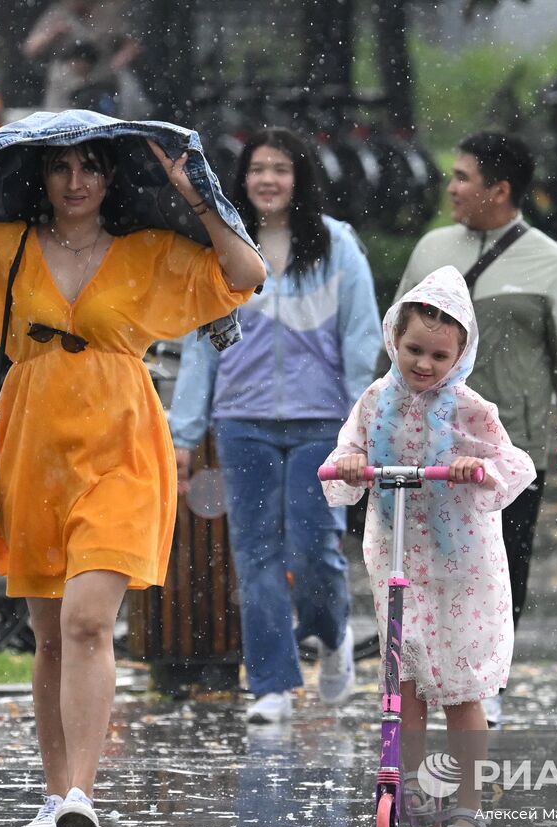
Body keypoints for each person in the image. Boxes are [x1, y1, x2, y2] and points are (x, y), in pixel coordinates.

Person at [0, 138, 265, 827]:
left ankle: (82, 792)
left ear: (112, 176)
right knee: (50, 636)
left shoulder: (147, 251)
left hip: (123, 451)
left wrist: (196, 194)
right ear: (42, 176)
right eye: (61, 166)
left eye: (90, 166)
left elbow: (245, 271)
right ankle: (54, 796)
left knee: (88, 620)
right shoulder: (6, 248)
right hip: (32, 452)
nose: (76, 179)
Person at [170, 128, 382, 724]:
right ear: (242, 181)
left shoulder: (337, 245)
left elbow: (363, 337)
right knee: (255, 554)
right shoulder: (224, 249)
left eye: (280, 169)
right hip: (243, 423)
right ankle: (271, 684)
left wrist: (357, 427)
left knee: (315, 550)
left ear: (300, 178)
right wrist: (185, 436)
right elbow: (200, 348)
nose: (268, 179)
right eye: (258, 169)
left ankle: (333, 634)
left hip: (323, 426)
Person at [325, 266, 536, 827]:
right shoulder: (376, 400)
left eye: (439, 355)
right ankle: (410, 792)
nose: (423, 364)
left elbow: (514, 466)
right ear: (395, 339)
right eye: (414, 349)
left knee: (462, 688)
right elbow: (350, 449)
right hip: (398, 559)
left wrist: (477, 468)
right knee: (406, 683)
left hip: (460, 568)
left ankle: (468, 806)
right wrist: (348, 463)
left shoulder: (469, 408)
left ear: (460, 354)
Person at [390, 131, 557, 727]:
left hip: (512, 451)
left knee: (501, 570)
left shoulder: (553, 264)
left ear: (499, 190)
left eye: (462, 178)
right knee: (429, 568)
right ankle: (427, 677)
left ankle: (485, 681)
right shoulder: (431, 250)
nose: (450, 188)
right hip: (431, 448)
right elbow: (398, 346)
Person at [22, 0, 150, 118]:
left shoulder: (107, 13)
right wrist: (51, 34)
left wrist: (121, 59)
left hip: (102, 78)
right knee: (59, 120)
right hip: (66, 80)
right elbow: (31, 48)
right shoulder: (57, 13)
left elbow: (132, 44)